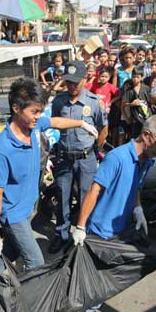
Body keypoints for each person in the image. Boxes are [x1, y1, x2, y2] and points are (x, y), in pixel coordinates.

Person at [73, 114, 156, 312]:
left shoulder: (146, 160)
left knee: (111, 269)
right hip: (101, 227)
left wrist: (138, 209)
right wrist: (81, 226)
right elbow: (94, 190)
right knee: (99, 272)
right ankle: (89, 309)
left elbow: (136, 186)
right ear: (147, 135)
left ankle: (91, 301)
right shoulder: (117, 157)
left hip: (122, 224)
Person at [0, 78, 99, 271]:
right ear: (16, 108)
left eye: (40, 111)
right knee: (36, 262)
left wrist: (81, 123)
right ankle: (31, 298)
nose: (39, 116)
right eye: (34, 112)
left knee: (9, 253)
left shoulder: (33, 126)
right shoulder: (3, 148)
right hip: (14, 215)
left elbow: (55, 121)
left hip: (29, 207)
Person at [49, 61, 108, 253]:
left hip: (86, 158)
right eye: (69, 82)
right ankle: (62, 234)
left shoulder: (93, 102)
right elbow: (55, 123)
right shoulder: (59, 101)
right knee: (62, 197)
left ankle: (85, 235)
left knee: (86, 197)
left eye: (76, 82)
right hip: (64, 157)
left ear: (85, 79)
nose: (72, 87)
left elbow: (103, 128)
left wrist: (95, 148)